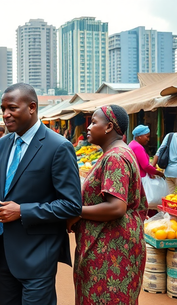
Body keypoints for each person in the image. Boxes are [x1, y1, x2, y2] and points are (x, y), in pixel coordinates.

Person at [0, 83, 82, 305]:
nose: (5, 115)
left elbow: (71, 205)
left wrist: (23, 211)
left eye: (12, 108)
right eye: (3, 109)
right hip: (4, 253)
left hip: (38, 255)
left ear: (32, 107)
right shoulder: (3, 144)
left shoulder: (58, 147)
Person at [67, 105, 147, 305]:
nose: (88, 127)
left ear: (109, 126)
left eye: (94, 122)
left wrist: (76, 213)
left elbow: (116, 207)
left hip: (110, 252)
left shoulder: (115, 158)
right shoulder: (118, 153)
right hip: (112, 246)